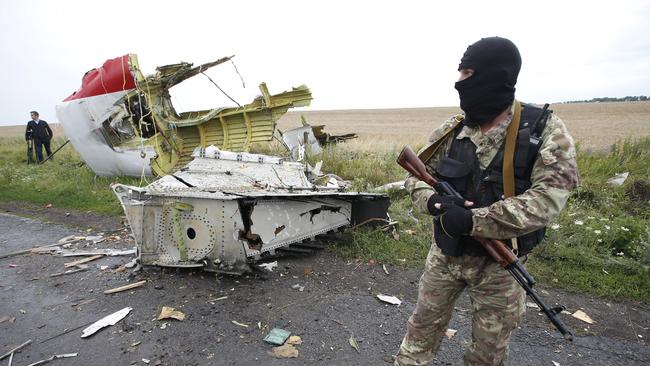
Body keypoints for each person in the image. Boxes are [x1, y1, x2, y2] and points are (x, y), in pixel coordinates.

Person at [394, 37, 580, 365]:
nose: (460, 83)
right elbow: (415, 177)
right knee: (419, 334)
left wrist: (474, 220)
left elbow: (550, 197)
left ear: (497, 76)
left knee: (487, 354)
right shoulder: (452, 130)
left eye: (469, 73)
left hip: (499, 264)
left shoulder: (542, 129)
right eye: (460, 73)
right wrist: (432, 202)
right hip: (445, 256)